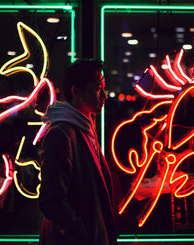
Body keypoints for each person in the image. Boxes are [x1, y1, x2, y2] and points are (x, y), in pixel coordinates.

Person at [38, 59, 117, 245]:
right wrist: (79, 233)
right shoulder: (62, 134)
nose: (104, 96)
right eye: (98, 88)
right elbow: (51, 199)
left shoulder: (84, 129)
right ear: (76, 91)